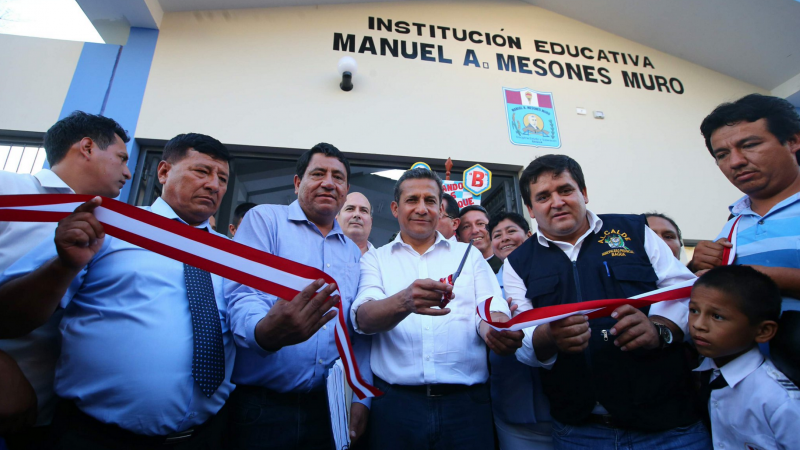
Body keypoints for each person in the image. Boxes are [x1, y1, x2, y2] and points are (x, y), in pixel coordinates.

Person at [0, 133, 235, 448]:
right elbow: (8, 314)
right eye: (202, 171)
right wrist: (63, 266)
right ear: (164, 172)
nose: (214, 185)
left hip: (204, 436)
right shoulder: (106, 227)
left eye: (222, 179)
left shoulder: (234, 256)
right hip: (94, 437)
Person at [506, 154, 709, 449]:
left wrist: (659, 328)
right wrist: (549, 336)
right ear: (530, 209)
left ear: (584, 193)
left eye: (565, 190)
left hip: (669, 427)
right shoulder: (518, 262)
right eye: (543, 196)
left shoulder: (634, 231)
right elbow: (522, 335)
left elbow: (683, 291)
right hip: (579, 432)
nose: (557, 202)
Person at [351, 168, 520, 450]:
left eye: (430, 201)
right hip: (395, 408)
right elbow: (363, 318)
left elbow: (490, 308)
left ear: (441, 208)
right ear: (395, 208)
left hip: (467, 408)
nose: (421, 208)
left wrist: (497, 328)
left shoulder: (469, 255)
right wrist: (404, 302)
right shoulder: (375, 260)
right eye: (412, 200)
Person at [225, 143, 371, 450]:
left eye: (338, 177)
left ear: (345, 191)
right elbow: (242, 295)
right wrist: (263, 332)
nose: (328, 183)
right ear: (297, 183)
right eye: (318, 174)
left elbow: (353, 330)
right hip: (263, 408)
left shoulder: (351, 251)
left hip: (327, 407)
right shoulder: (265, 221)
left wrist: (362, 397)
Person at [0, 111, 131, 448]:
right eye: (122, 158)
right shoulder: (9, 190)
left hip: (51, 421)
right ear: (87, 147)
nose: (128, 173)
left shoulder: (112, 228)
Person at [691, 94, 800, 381]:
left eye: (750, 145)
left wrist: (759, 277)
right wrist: (697, 269)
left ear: (792, 141)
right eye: (722, 155)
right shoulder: (732, 225)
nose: (736, 162)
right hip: (747, 393)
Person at [689, 265, 799, 449]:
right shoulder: (702, 372)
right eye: (694, 310)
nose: (698, 325)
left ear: (763, 331)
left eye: (717, 316)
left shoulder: (778, 400)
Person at [486, 212, 551, 450]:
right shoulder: (487, 285)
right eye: (497, 235)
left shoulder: (552, 272)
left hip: (563, 400)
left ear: (530, 235)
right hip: (513, 402)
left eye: (511, 231)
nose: (504, 238)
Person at [458, 204, 503, 273]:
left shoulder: (509, 265)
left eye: (480, 223)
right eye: (466, 227)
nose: (475, 231)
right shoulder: (454, 272)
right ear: (458, 238)